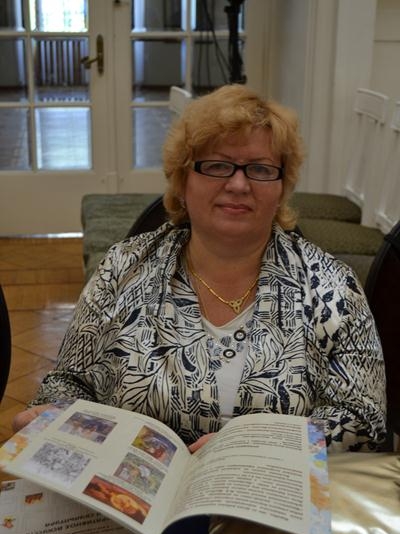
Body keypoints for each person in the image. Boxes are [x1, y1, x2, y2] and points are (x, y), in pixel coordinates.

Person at [12, 84, 386, 452]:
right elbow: (68, 381)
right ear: (183, 179)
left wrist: (256, 444)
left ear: (281, 187)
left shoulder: (332, 285)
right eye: (218, 165)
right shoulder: (122, 267)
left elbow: (364, 418)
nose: (238, 184)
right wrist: (52, 415)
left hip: (269, 488)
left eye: (259, 169)